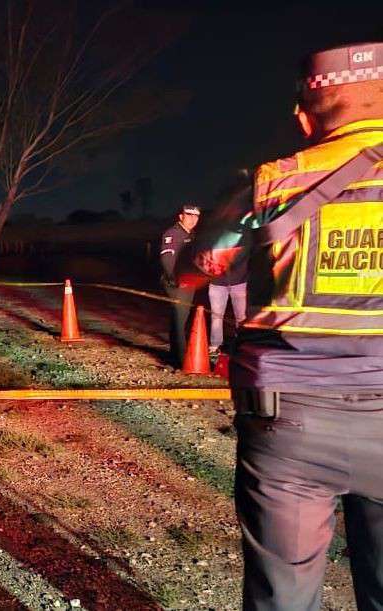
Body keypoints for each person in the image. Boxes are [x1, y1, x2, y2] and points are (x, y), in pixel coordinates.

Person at [188, 41, 383, 610]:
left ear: (304, 115)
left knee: (282, 598)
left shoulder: (272, 182)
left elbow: (202, 267)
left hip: (288, 421)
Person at [159, 204, 201, 366]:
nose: (193, 219)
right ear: (181, 216)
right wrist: (176, 279)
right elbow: (167, 259)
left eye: (196, 216)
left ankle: (175, 355)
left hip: (188, 282)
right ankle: (181, 360)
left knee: (180, 320)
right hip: (177, 283)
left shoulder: (193, 235)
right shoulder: (173, 234)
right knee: (179, 319)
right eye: (189, 215)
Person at [208, 228, 249, 356]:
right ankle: (215, 346)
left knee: (241, 317)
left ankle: (241, 344)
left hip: (240, 283)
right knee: (216, 316)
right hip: (217, 284)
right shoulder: (213, 237)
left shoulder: (245, 236)